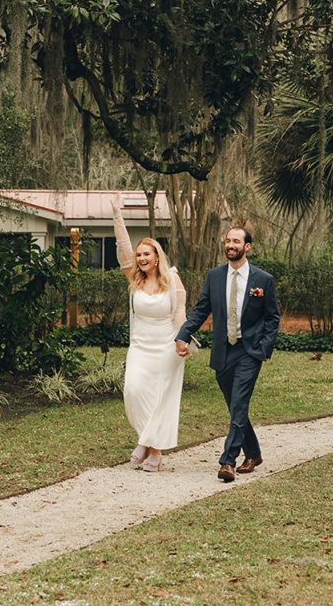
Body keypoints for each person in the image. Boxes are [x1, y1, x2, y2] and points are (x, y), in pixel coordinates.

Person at [176, 226, 281, 482]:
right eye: (227, 241)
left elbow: (272, 317)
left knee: (240, 402)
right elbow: (202, 309)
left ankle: (228, 461)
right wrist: (183, 334)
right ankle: (253, 453)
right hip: (224, 351)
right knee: (236, 407)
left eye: (236, 241)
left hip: (250, 349)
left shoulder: (262, 280)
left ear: (247, 247)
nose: (230, 244)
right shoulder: (214, 276)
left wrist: (263, 348)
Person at [113, 199, 186, 473]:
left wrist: (183, 339)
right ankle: (145, 439)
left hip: (167, 347)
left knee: (162, 399)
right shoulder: (135, 279)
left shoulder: (173, 279)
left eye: (146, 254)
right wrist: (117, 216)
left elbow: (179, 313)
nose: (141, 258)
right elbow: (122, 251)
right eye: (139, 254)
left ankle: (154, 450)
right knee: (133, 391)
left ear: (157, 257)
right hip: (140, 347)